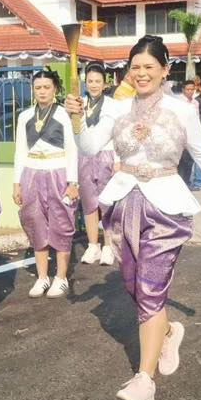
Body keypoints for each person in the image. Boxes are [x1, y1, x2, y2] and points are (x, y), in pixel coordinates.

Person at [64, 34, 201, 400]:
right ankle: (170, 330)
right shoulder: (117, 109)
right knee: (135, 288)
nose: (141, 73)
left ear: (164, 69)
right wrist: (76, 118)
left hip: (165, 207)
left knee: (149, 286)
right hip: (124, 202)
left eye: (149, 67)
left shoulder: (182, 110)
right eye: (135, 67)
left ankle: (144, 380)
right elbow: (91, 146)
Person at [13, 68, 79, 299]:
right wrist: (17, 183)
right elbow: (20, 150)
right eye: (38, 87)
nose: (42, 92)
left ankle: (60, 277)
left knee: (61, 223)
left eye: (47, 87)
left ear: (55, 89)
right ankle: (42, 277)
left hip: (58, 172)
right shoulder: (24, 116)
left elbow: (72, 149)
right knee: (35, 223)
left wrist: (73, 182)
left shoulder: (64, 115)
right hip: (32, 173)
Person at [77, 63, 117, 266]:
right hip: (84, 157)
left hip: (106, 155)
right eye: (90, 81)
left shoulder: (112, 104)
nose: (93, 85)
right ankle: (93, 246)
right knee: (89, 202)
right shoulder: (79, 103)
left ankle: (109, 246)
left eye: (98, 81)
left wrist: (118, 160)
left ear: (105, 83)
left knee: (107, 203)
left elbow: (118, 134)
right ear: (85, 82)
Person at [178, 80, 198, 188]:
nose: (190, 92)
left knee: (190, 160)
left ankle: (187, 182)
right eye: (188, 89)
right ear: (183, 90)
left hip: (192, 135)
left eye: (192, 89)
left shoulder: (195, 103)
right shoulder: (178, 102)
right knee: (181, 161)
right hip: (181, 135)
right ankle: (181, 185)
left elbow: (197, 119)